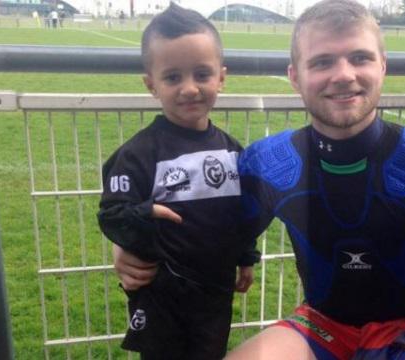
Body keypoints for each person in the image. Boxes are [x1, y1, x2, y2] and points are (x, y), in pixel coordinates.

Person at [226, 1, 405, 359]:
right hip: (324, 325)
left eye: (360, 58)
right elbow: (216, 230)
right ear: (294, 76)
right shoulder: (268, 162)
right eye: (322, 62)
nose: (344, 74)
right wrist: (132, 241)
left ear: (383, 66)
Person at [97, 4, 259, 359]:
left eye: (202, 74)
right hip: (161, 296)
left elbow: (243, 212)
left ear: (221, 77)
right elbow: (111, 214)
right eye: (173, 78)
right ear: (151, 84)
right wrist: (142, 216)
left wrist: (246, 255)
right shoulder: (139, 154)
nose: (189, 89)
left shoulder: (233, 151)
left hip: (215, 293)